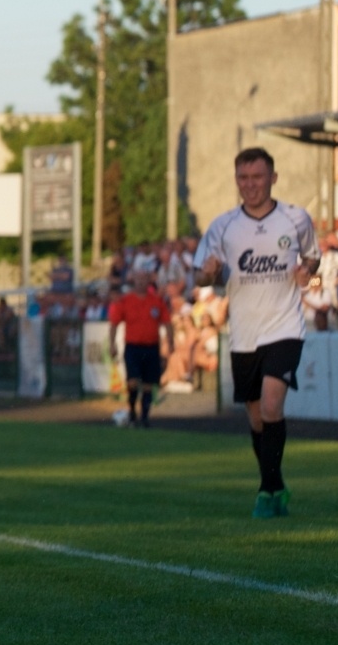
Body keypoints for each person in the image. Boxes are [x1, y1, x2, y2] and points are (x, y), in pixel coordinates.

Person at [193, 147, 318, 519]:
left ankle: (265, 491)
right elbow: (201, 274)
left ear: (273, 178)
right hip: (244, 332)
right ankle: (276, 484)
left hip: (284, 327)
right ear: (236, 180)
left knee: (270, 405)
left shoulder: (295, 218)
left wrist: (306, 271)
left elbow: (312, 256)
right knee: (256, 418)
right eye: (243, 178)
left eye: (257, 177)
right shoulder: (223, 226)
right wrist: (210, 273)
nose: (250, 185)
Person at [107, 270, 171, 427]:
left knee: (149, 384)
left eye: (144, 279)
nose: (141, 282)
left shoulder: (156, 301)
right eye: (138, 279)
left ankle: (145, 417)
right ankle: (132, 411)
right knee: (133, 382)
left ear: (148, 281)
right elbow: (114, 323)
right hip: (133, 347)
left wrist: (170, 342)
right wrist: (112, 343)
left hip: (151, 347)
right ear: (134, 281)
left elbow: (167, 322)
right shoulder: (126, 301)